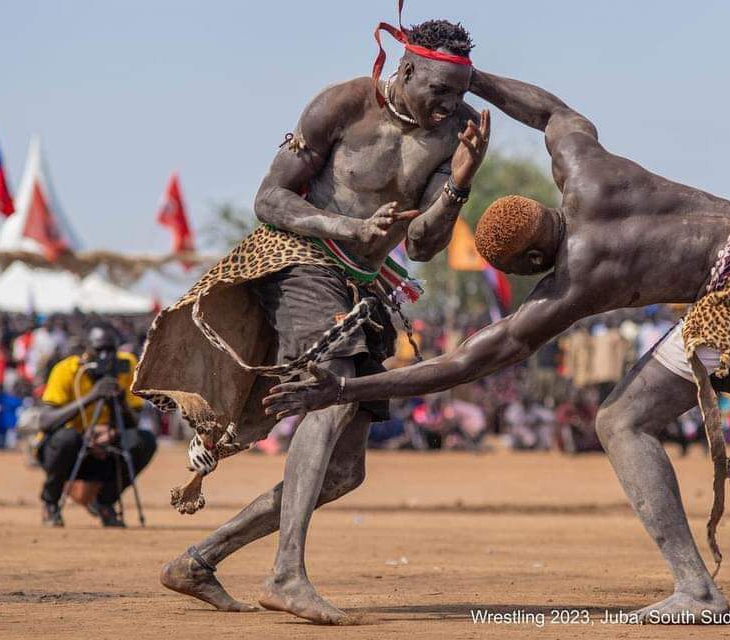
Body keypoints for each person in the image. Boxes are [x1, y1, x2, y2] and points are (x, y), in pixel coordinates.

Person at [265, 68, 730, 620]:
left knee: (621, 420)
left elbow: (467, 361)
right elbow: (552, 110)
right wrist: (474, 80)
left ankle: (697, 592)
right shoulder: (583, 167)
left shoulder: (576, 280)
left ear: (528, 264)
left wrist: (348, 387)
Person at [138, 15, 490, 623]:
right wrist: (343, 226)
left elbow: (427, 245)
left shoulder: (455, 131)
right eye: (439, 90)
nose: (449, 105)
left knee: (345, 472)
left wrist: (460, 182)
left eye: (459, 95)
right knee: (329, 400)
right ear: (405, 70)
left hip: (363, 285)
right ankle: (285, 574)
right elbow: (268, 199)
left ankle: (199, 560)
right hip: (300, 257)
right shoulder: (341, 105)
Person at [37, 323, 156, 527]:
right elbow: (45, 421)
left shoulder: (126, 366)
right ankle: (50, 503)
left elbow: (133, 423)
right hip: (69, 451)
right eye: (99, 349)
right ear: (87, 350)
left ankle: (104, 502)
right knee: (67, 439)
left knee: (143, 440)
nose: (106, 356)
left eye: (110, 349)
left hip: (105, 449)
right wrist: (92, 397)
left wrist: (119, 402)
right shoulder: (68, 370)